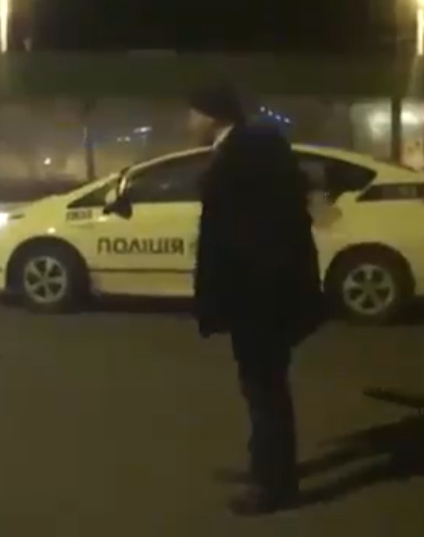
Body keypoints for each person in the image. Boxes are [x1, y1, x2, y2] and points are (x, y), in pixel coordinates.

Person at [188, 84, 326, 516]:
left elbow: (252, 234)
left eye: (193, 113)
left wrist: (237, 295)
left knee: (265, 390)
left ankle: (274, 485)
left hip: (260, 297)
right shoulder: (249, 150)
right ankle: (265, 467)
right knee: (261, 389)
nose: (188, 122)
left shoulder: (245, 156)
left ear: (212, 115)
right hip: (260, 294)